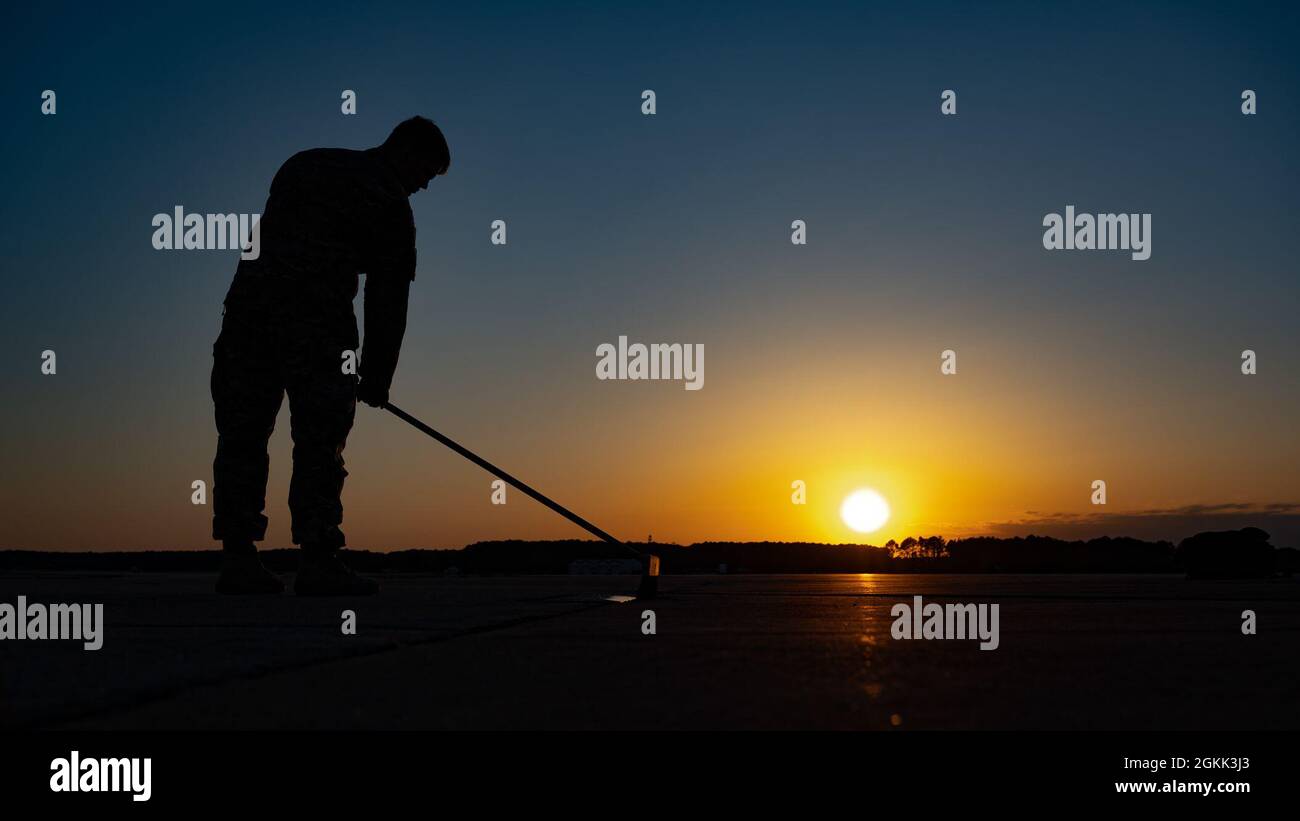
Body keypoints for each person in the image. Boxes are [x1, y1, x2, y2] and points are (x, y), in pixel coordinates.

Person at [210, 117, 449, 595]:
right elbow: (387, 299)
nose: (423, 185)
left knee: (242, 436)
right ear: (406, 150)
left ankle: (238, 559)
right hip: (317, 332)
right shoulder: (390, 204)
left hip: (248, 322)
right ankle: (318, 561)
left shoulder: (306, 163)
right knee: (319, 445)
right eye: (427, 172)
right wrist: (378, 377)